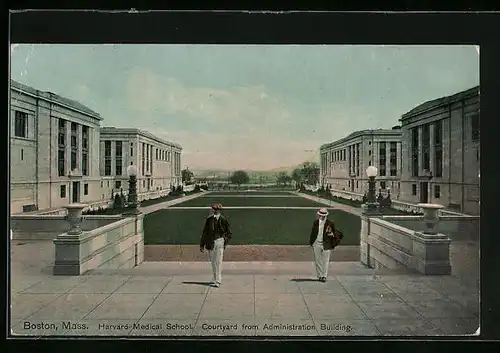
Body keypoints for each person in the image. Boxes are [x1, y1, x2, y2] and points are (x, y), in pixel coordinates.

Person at [199, 203, 232, 287]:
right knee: (213, 262)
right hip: (210, 242)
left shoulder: (223, 219)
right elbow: (205, 232)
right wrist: (202, 244)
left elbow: (229, 232)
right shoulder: (209, 219)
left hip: (219, 241)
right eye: (214, 209)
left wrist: (224, 241)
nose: (215, 211)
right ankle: (215, 278)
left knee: (218, 262)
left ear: (219, 210)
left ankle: (218, 280)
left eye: (216, 210)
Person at [308, 208, 343, 282]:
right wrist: (311, 242)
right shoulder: (316, 222)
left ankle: (324, 276)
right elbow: (313, 233)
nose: (322, 217)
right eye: (321, 215)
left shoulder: (330, 223)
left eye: (323, 215)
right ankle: (320, 276)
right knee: (318, 261)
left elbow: (334, 233)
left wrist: (331, 234)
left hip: (326, 244)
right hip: (316, 243)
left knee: (325, 261)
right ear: (319, 215)